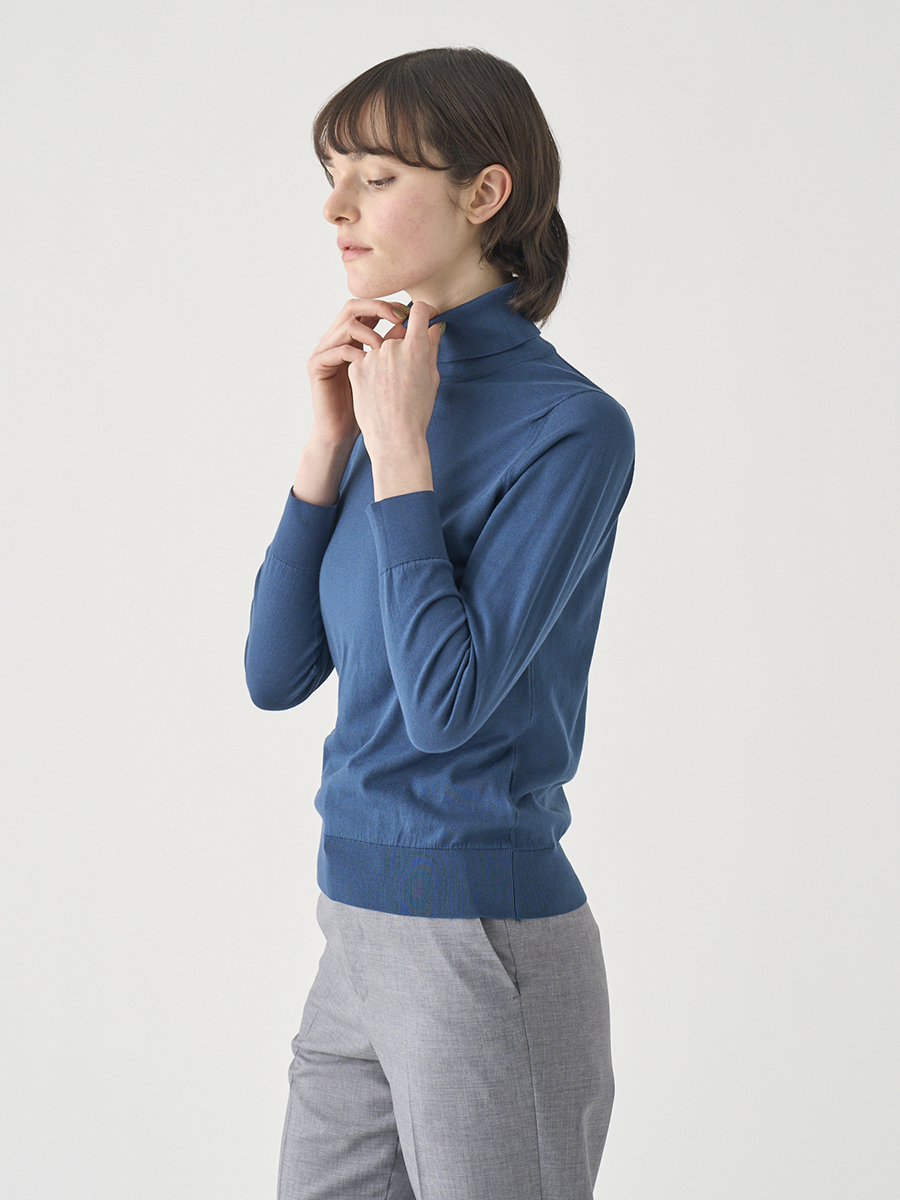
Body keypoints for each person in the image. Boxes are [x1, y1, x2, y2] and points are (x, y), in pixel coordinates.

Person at [244, 45, 635, 1200]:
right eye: (332, 176)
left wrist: (401, 449)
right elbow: (274, 672)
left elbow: (448, 707)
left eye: (375, 177)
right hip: (353, 922)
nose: (336, 208)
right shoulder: (385, 392)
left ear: (484, 193)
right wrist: (329, 445)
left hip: (481, 937)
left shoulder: (571, 429)